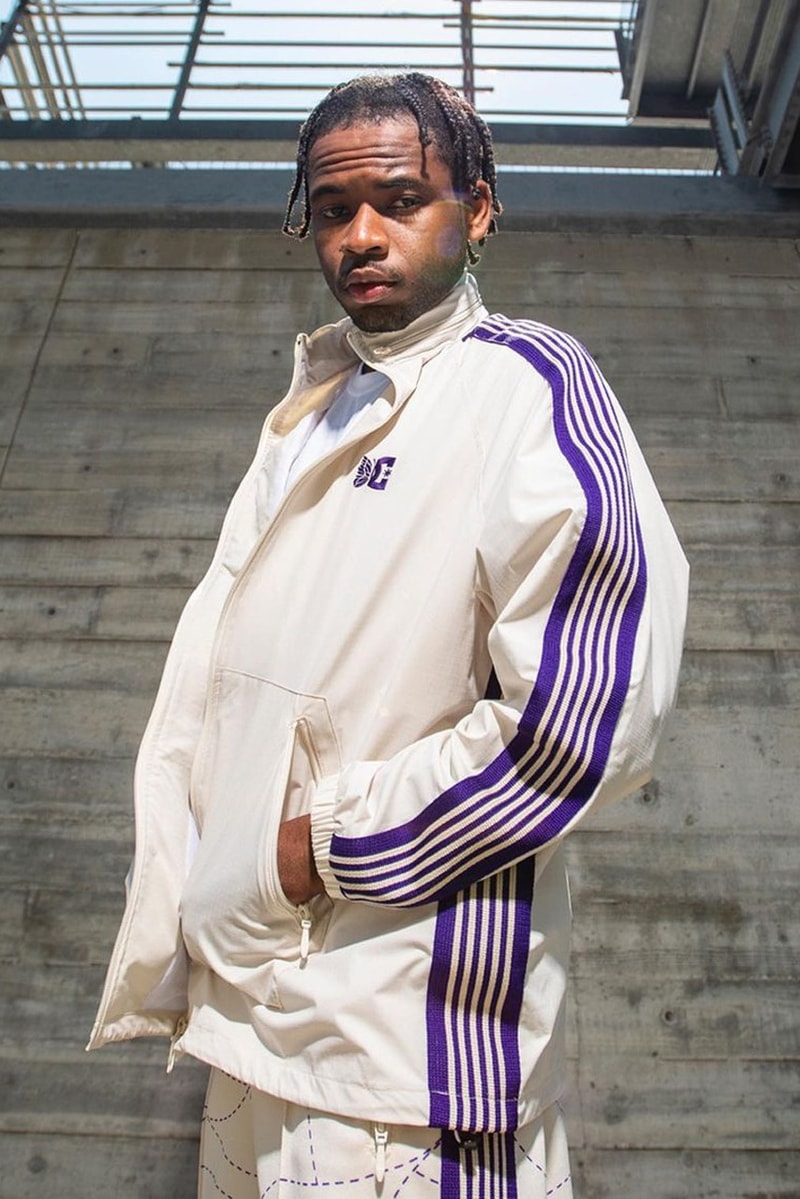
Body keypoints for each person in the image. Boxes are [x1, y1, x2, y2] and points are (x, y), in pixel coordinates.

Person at [89, 73, 689, 1198]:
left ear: (478, 208)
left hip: (405, 1058)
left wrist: (310, 851)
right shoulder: (314, 408)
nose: (360, 235)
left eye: (400, 200)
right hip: (250, 1017)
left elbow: (583, 720)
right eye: (332, 210)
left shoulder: (528, 386)